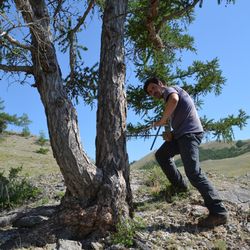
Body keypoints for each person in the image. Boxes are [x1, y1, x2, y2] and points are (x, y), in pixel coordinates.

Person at [143, 77, 228, 228]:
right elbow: (176, 113)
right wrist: (170, 134)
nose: (153, 92)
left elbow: (174, 100)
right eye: (150, 92)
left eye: (153, 88)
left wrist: (162, 120)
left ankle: (219, 212)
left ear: (161, 84)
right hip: (181, 135)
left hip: (189, 134)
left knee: (194, 173)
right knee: (162, 155)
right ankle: (180, 186)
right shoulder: (168, 97)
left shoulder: (171, 90)